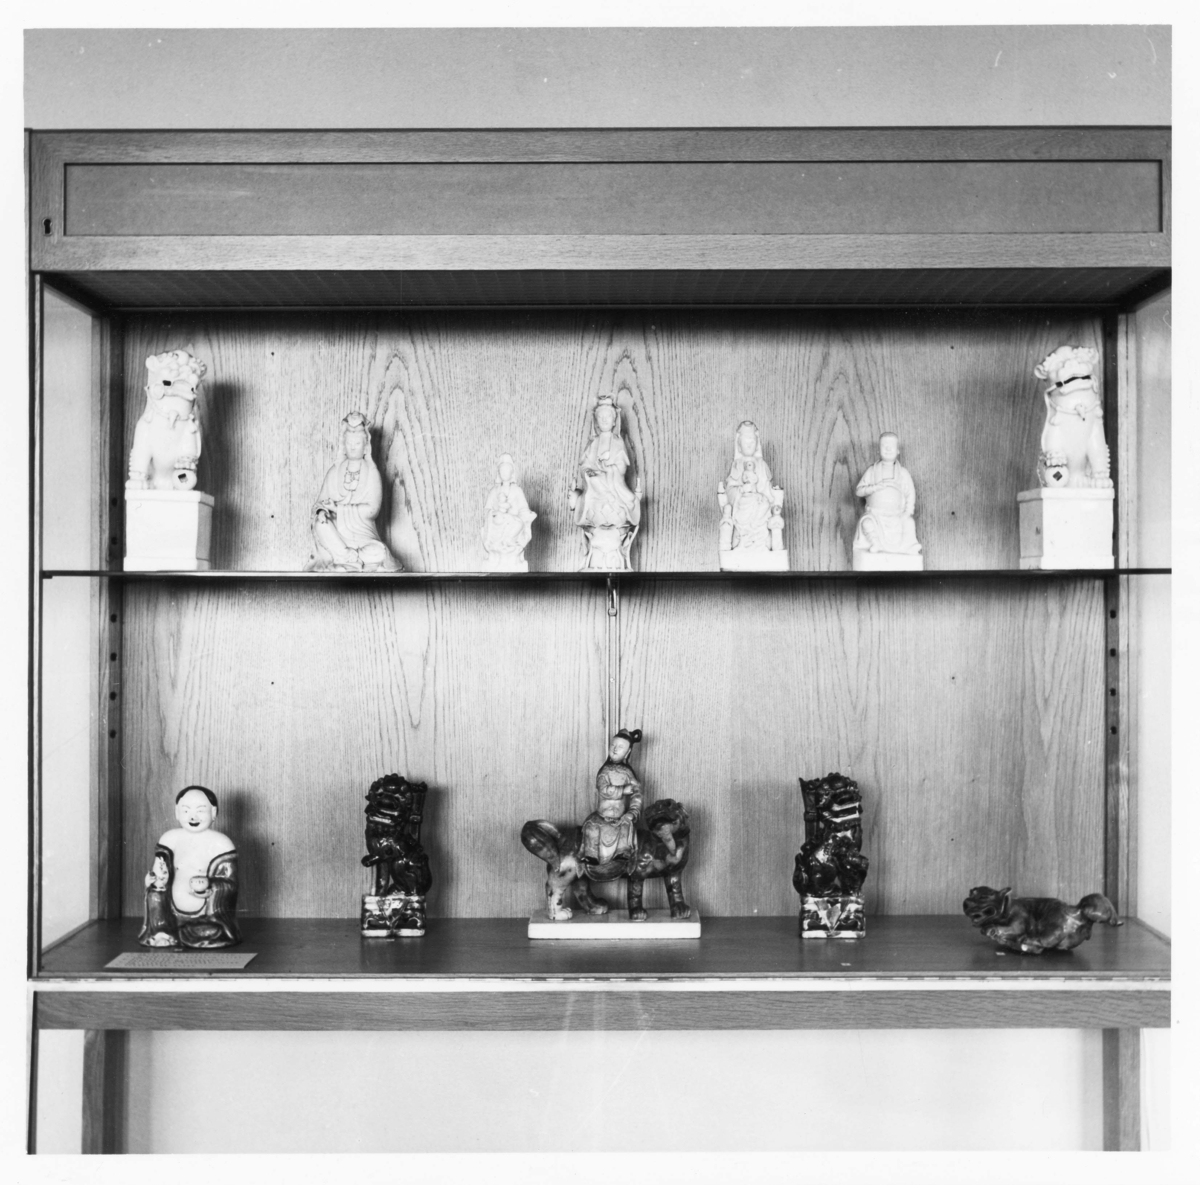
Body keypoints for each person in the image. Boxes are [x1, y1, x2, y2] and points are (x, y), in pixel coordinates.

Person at [308, 410, 401, 572]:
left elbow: (373, 510)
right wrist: (322, 511)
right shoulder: (334, 472)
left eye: (357, 444)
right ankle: (345, 556)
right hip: (338, 538)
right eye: (349, 443)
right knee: (320, 524)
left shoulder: (371, 473)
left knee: (379, 552)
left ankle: (349, 559)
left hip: (363, 538)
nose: (352, 447)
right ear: (343, 445)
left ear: (365, 447)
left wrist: (339, 509)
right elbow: (319, 503)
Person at [154, 785, 241, 949]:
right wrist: (155, 880)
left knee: (212, 932)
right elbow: (158, 871)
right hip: (170, 911)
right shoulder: (169, 839)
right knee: (154, 896)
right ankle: (166, 930)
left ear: (213, 812)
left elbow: (230, 883)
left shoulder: (222, 843)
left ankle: (178, 933)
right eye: (186, 811)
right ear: (177, 812)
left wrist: (211, 885)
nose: (193, 817)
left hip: (206, 915)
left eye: (200, 811)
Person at [569, 395, 642, 569]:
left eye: (608, 416)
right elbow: (584, 465)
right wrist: (590, 471)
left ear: (614, 420)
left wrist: (609, 469)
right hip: (596, 489)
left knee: (624, 501)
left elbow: (622, 467)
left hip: (612, 487)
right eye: (600, 417)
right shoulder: (593, 443)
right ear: (596, 421)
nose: (604, 420)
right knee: (593, 482)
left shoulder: (617, 442)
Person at [580, 729, 644, 870]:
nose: (615, 749)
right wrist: (623, 790)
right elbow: (603, 789)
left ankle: (622, 856)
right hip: (601, 816)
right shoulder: (605, 771)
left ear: (627, 752)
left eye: (620, 747)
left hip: (620, 817)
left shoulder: (628, 773)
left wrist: (632, 813)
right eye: (613, 745)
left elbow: (637, 794)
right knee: (591, 827)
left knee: (626, 828)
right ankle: (591, 857)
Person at [852, 432, 922, 557]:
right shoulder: (872, 471)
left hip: (897, 515)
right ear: (878, 450)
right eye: (884, 446)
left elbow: (910, 494)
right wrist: (874, 488)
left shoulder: (903, 473)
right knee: (866, 523)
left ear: (898, 450)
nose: (888, 449)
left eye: (892, 446)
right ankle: (875, 543)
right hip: (875, 514)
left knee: (909, 523)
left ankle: (910, 546)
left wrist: (907, 512)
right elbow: (859, 491)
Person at [481, 453, 536, 569]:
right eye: (502, 469)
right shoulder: (494, 491)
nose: (504, 472)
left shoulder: (517, 491)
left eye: (507, 470)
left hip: (512, 522)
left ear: (512, 472)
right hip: (497, 523)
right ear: (498, 472)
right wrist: (495, 513)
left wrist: (527, 515)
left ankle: (509, 541)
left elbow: (523, 509)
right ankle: (502, 544)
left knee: (519, 524)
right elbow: (487, 510)